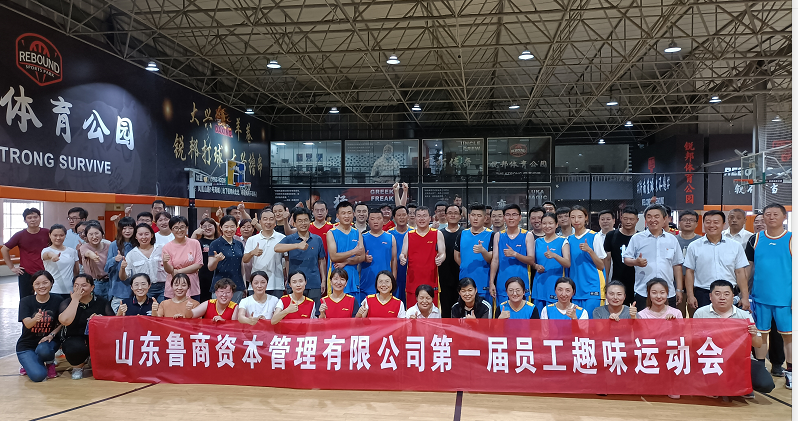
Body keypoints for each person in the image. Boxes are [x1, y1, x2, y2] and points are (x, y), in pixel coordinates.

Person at [693, 280, 774, 396]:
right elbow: (693, 341)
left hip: (740, 360)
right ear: (710, 296)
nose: (722, 297)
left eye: (726, 294)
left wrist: (753, 335)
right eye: (717, 294)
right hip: (711, 359)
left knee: (765, 383)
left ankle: (743, 385)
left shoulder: (744, 315)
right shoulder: (700, 313)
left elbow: (758, 343)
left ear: (733, 296)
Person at [747, 203, 792, 388]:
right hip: (759, 298)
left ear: (784, 217)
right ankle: (760, 370)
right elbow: (749, 268)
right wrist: (744, 293)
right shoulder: (755, 239)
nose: (771, 217)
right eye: (768, 214)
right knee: (760, 335)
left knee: (788, 337)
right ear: (763, 217)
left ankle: (790, 373)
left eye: (775, 214)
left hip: (785, 299)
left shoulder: (791, 239)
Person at [684, 210, 749, 312]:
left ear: (723, 224)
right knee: (703, 322)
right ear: (703, 224)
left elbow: (740, 272)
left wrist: (745, 297)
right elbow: (689, 272)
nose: (711, 225)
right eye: (708, 222)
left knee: (728, 321)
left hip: (729, 293)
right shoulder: (694, 246)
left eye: (716, 222)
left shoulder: (735, 246)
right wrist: (690, 295)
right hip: (703, 294)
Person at [623, 204, 684, 308]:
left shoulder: (672, 239)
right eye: (649, 216)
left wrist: (679, 289)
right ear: (645, 219)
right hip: (643, 291)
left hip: (667, 292)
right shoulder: (637, 238)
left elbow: (677, 265)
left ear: (664, 219)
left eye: (656, 216)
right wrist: (635, 262)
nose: (652, 220)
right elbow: (626, 259)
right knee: (643, 318)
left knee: (669, 318)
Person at [58, 274, 114, 379]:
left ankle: (91, 359)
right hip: (74, 337)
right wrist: (75, 300)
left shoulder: (102, 301)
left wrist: (100, 319)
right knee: (74, 347)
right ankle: (77, 367)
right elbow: (65, 321)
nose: (80, 288)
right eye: (76, 285)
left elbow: (112, 322)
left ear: (92, 287)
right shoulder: (67, 302)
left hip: (97, 338)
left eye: (84, 285)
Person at [275, 207, 327, 310]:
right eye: (299, 221)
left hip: (314, 282)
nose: (303, 223)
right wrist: (297, 245)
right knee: (294, 312)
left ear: (310, 221)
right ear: (294, 223)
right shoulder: (289, 239)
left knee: (314, 312)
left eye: (305, 220)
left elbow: (321, 260)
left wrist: (323, 280)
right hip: (295, 284)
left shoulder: (317, 239)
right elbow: (277, 248)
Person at [17, 270, 63, 382]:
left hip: (48, 342)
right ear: (33, 285)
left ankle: (49, 362)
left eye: (45, 282)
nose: (41, 286)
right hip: (27, 345)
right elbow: (28, 324)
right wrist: (35, 319)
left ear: (51, 283)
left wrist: (52, 334)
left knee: (43, 350)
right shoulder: (26, 301)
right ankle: (30, 362)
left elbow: (62, 322)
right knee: (38, 376)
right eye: (37, 283)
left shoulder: (58, 300)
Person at [489, 204, 535, 309]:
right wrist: (491, 282)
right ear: (504, 218)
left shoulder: (528, 235)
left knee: (523, 316)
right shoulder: (498, 235)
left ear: (520, 217)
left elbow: (531, 260)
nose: (511, 218)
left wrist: (515, 254)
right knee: (502, 316)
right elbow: (495, 260)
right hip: (502, 285)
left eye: (514, 215)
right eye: (508, 215)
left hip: (522, 285)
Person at [400, 206, 445, 308]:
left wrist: (441, 259)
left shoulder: (437, 233)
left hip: (431, 280)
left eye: (424, 216)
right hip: (413, 282)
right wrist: (402, 258)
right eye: (419, 216)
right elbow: (403, 253)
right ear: (415, 218)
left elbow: (443, 253)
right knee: (412, 313)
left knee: (432, 313)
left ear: (430, 218)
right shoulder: (409, 235)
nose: (421, 219)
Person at [1, 207, 49, 299]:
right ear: (25, 220)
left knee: (46, 298)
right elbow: (4, 249)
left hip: (46, 271)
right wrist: (12, 267)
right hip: (26, 272)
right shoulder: (19, 235)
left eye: (35, 217)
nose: (33, 220)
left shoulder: (47, 232)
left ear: (40, 218)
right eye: (29, 218)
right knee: (25, 299)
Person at [567, 206, 606, 315]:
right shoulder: (568, 239)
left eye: (580, 217)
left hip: (592, 287)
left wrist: (590, 251)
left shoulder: (594, 236)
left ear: (586, 218)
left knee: (593, 322)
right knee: (576, 322)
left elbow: (601, 265)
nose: (576, 220)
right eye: (573, 217)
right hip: (575, 289)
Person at [327, 201, 366, 301]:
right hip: (336, 279)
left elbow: (362, 257)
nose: (347, 216)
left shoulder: (357, 233)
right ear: (338, 216)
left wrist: (346, 262)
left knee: (354, 308)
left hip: (353, 278)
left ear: (353, 214)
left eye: (349, 213)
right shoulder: (331, 233)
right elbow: (334, 257)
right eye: (343, 213)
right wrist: (353, 252)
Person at [531, 213, 570, 311]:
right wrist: (536, 266)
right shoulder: (537, 242)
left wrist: (555, 256)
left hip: (556, 284)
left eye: (550, 223)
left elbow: (567, 263)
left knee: (554, 316)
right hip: (539, 285)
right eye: (544, 223)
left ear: (556, 224)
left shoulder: (563, 241)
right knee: (539, 317)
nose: (547, 226)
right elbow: (532, 262)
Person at [244, 208, 286, 298]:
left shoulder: (282, 238)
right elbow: (245, 260)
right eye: (265, 219)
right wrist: (252, 253)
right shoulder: (252, 239)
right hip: (256, 283)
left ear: (275, 221)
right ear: (260, 221)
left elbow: (287, 259)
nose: (268, 222)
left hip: (276, 284)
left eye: (271, 219)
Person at [455, 204, 494, 299]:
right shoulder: (462, 234)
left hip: (484, 282)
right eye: (473, 215)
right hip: (464, 281)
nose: (475, 218)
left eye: (479, 216)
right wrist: (465, 266)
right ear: (469, 216)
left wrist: (483, 251)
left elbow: (492, 259)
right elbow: (457, 256)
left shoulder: (491, 235)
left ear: (485, 218)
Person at [120, 223, 165, 305]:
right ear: (136, 236)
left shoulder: (162, 249)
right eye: (140, 234)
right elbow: (123, 277)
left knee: (164, 310)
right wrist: (122, 268)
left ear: (152, 235)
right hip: (144, 289)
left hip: (164, 288)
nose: (144, 237)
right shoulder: (131, 254)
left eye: (146, 234)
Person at [358, 208, 397, 301]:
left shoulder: (390, 237)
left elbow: (394, 260)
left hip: (385, 283)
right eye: (372, 219)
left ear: (383, 220)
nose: (375, 221)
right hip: (366, 282)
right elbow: (357, 258)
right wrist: (364, 258)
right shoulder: (362, 237)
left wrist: (393, 279)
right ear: (368, 221)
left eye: (378, 218)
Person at [162, 215, 203, 302]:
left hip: (192, 286)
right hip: (174, 286)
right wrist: (165, 263)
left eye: (182, 227)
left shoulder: (195, 243)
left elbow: (198, 264)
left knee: (193, 309)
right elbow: (170, 270)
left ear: (187, 228)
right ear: (171, 230)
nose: (179, 230)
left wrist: (178, 271)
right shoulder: (167, 247)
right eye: (176, 228)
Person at [603, 206, 638, 305]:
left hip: (637, 282)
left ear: (637, 220)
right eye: (625, 218)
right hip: (617, 279)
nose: (628, 222)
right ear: (621, 218)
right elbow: (607, 259)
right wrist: (606, 280)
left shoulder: (641, 237)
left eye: (631, 219)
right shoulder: (611, 235)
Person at [209, 215, 246, 303]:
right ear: (221, 227)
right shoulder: (215, 244)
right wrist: (216, 260)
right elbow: (210, 267)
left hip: (237, 286)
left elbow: (242, 266)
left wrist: (244, 286)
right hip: (220, 286)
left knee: (235, 310)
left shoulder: (239, 244)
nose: (229, 229)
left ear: (236, 227)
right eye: (226, 226)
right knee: (219, 310)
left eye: (232, 226)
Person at [41, 224, 79, 299]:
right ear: (50, 235)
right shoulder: (46, 250)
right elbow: (47, 255)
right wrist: (53, 256)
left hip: (70, 290)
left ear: (65, 235)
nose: (58, 238)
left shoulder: (72, 251)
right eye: (55, 235)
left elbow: (76, 271)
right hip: (53, 289)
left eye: (61, 235)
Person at [438, 204, 463, 317]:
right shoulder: (439, 234)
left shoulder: (465, 233)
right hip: (443, 277)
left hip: (461, 276)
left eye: (456, 213)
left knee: (461, 309)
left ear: (460, 216)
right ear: (445, 215)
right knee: (446, 309)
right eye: (450, 213)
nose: (453, 215)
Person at [105, 217, 135, 307]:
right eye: (124, 228)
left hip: (137, 287)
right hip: (119, 288)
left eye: (130, 228)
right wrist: (114, 260)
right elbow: (106, 268)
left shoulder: (138, 244)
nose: (127, 231)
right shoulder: (114, 245)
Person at [78, 222, 111, 301]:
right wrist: (93, 256)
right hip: (94, 283)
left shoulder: (109, 246)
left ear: (102, 234)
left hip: (109, 281)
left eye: (97, 233)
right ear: (86, 236)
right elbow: (88, 253)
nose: (94, 237)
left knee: (109, 305)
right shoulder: (84, 247)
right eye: (91, 234)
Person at [388, 206, 411, 303]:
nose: (401, 217)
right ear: (394, 218)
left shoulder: (413, 233)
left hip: (410, 272)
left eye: (404, 215)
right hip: (394, 271)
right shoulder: (389, 234)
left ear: (408, 216)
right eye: (399, 215)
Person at [196, 217, 218, 302]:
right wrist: (195, 233)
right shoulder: (198, 242)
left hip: (217, 275)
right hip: (203, 276)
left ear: (215, 227)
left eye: (210, 225)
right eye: (204, 226)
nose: (207, 228)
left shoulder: (219, 242)